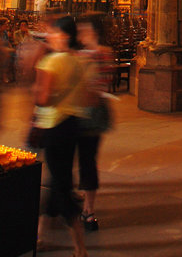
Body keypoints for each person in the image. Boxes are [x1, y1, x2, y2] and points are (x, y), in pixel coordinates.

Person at [34, 15, 89, 257]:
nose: (49, 36)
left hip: (54, 126)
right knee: (57, 181)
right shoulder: (77, 61)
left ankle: (79, 244)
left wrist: (43, 93)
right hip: (72, 125)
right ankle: (40, 234)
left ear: (64, 36)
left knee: (60, 186)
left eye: (53, 33)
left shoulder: (51, 62)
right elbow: (86, 95)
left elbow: (42, 98)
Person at [77, 14, 114, 231]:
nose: (81, 34)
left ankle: (88, 209)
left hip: (91, 117)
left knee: (88, 162)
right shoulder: (77, 54)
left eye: (85, 30)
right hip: (76, 115)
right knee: (82, 161)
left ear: (95, 32)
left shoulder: (102, 54)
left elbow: (99, 87)